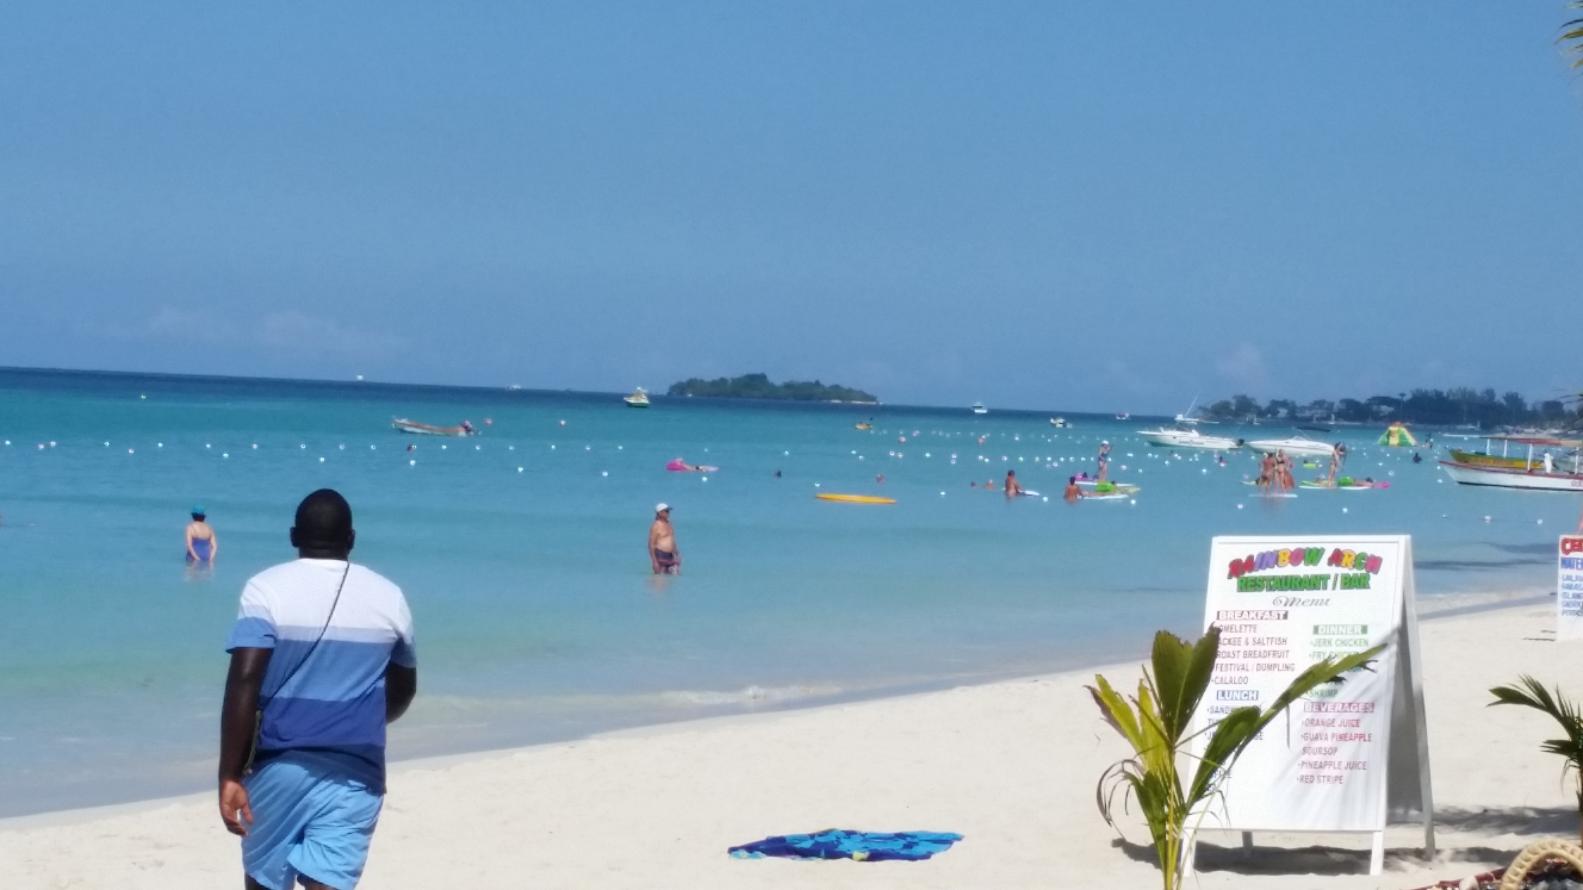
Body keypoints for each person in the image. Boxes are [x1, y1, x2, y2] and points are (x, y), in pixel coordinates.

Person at [218, 489, 417, 890]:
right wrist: (357, 720)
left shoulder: (265, 589)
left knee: (264, 883)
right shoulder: (389, 596)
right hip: (357, 771)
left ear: (294, 536)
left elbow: (245, 679)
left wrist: (229, 774)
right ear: (352, 539)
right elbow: (403, 690)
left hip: (278, 766)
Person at [649, 503, 681, 575]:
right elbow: (651, 545)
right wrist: (654, 561)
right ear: (660, 513)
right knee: (660, 578)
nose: (668, 513)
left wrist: (677, 553)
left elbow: (671, 539)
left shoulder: (669, 524)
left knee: (674, 578)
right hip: (661, 555)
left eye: (668, 511)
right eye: (666, 511)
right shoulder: (656, 526)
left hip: (671, 556)